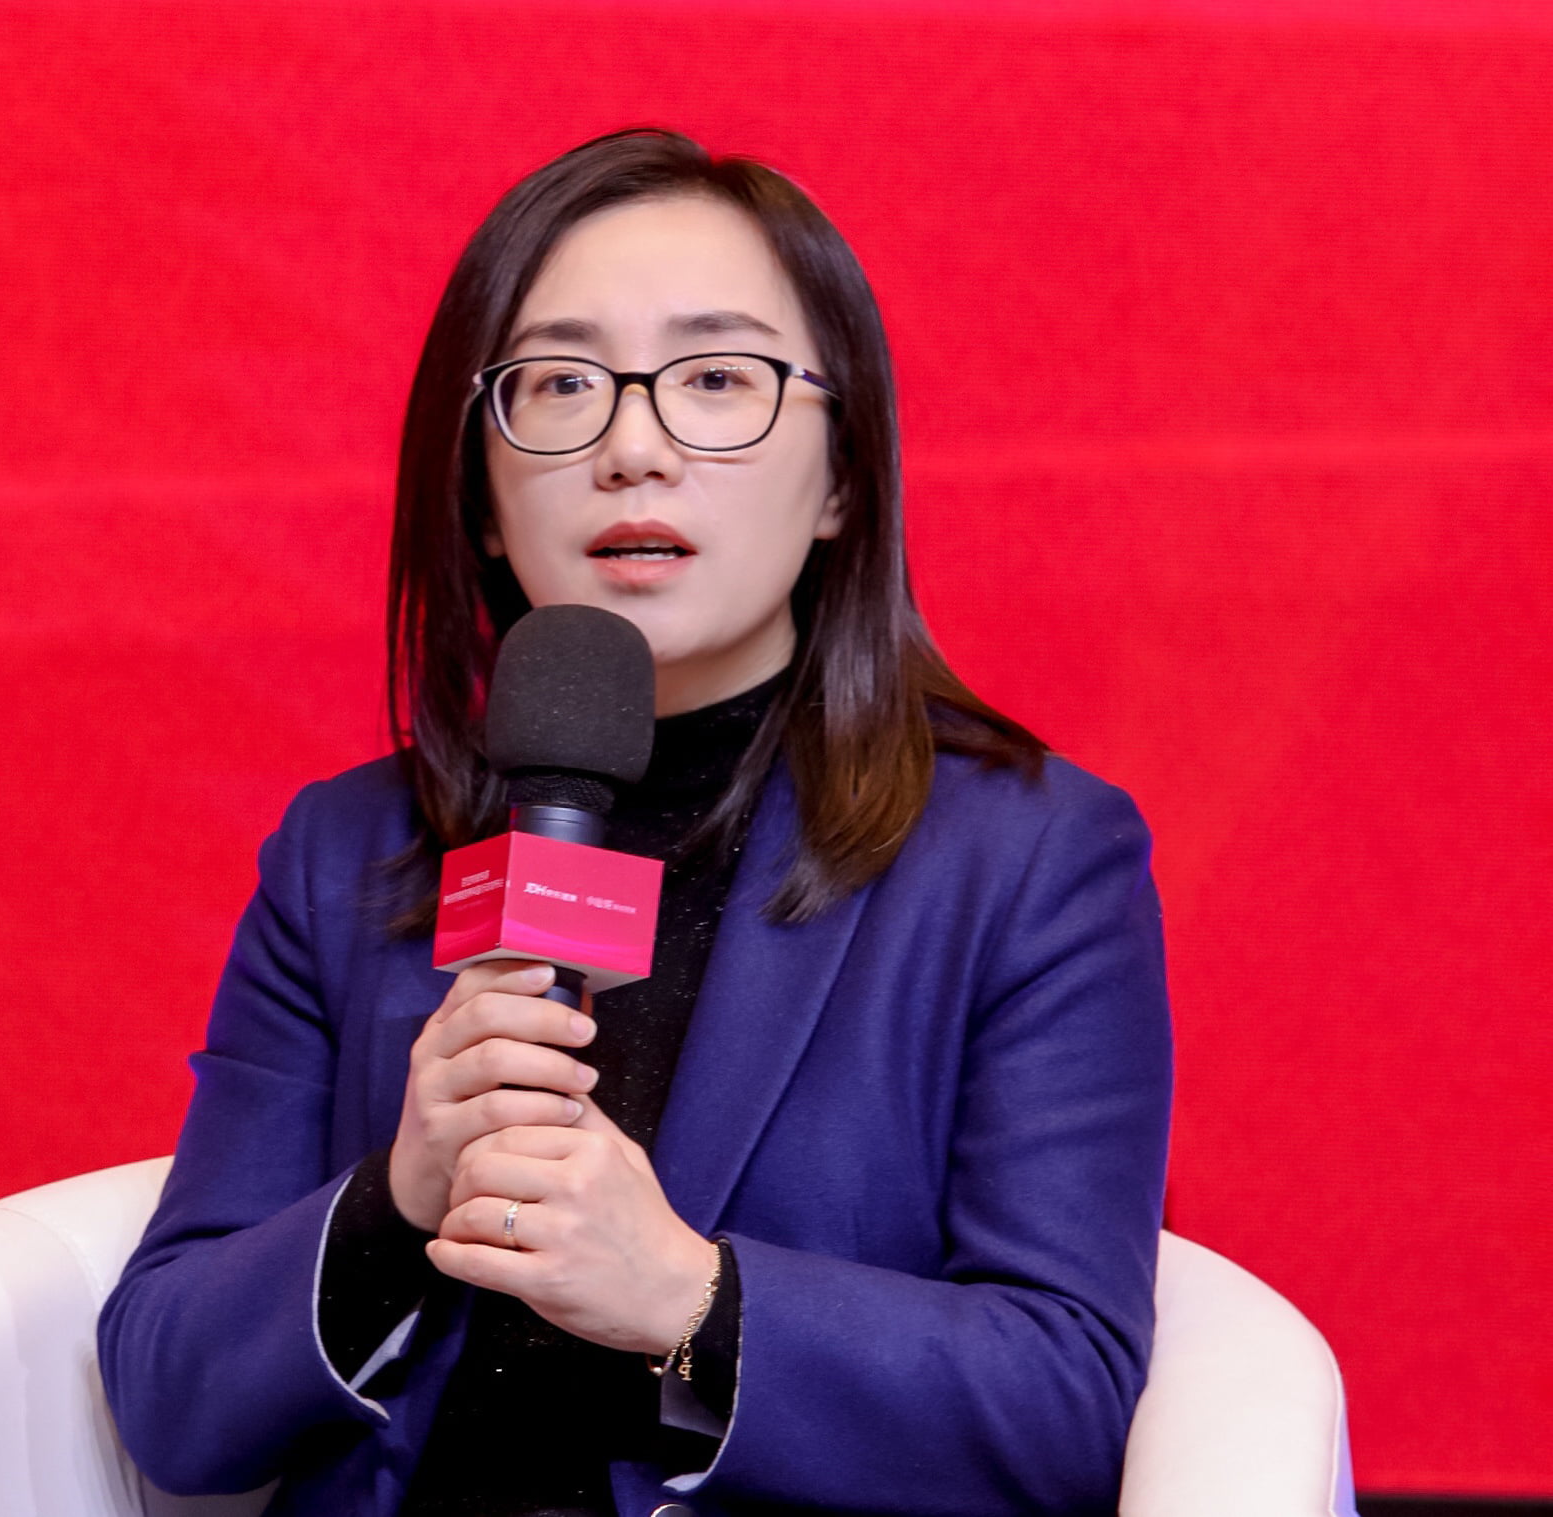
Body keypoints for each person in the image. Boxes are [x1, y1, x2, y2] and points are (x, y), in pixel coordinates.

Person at [97, 128, 1172, 1517]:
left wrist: (689, 1298)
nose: (632, 449)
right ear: (482, 498)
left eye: (716, 378)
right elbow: (170, 1399)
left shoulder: (1023, 860)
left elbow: (1065, 1404)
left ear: (843, 479)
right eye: (560, 384)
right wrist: (396, 1194)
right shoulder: (347, 853)